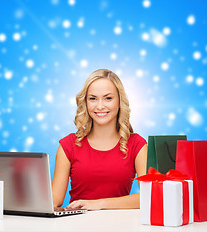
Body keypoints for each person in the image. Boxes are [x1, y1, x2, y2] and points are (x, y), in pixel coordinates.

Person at [52, 69, 147, 210]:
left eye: (108, 98)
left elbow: (149, 196)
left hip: (121, 225)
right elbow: (53, 201)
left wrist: (100, 204)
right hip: (78, 225)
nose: (100, 106)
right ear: (85, 102)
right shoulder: (68, 145)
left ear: (120, 101)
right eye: (93, 98)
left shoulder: (137, 145)